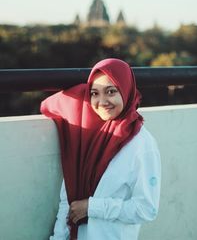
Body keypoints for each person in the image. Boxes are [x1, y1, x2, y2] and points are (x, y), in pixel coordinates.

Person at [40, 58, 161, 240]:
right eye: (94, 93)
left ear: (126, 90)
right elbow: (68, 200)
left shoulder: (142, 145)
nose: (102, 101)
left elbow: (146, 209)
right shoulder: (86, 138)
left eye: (111, 91)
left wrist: (92, 207)